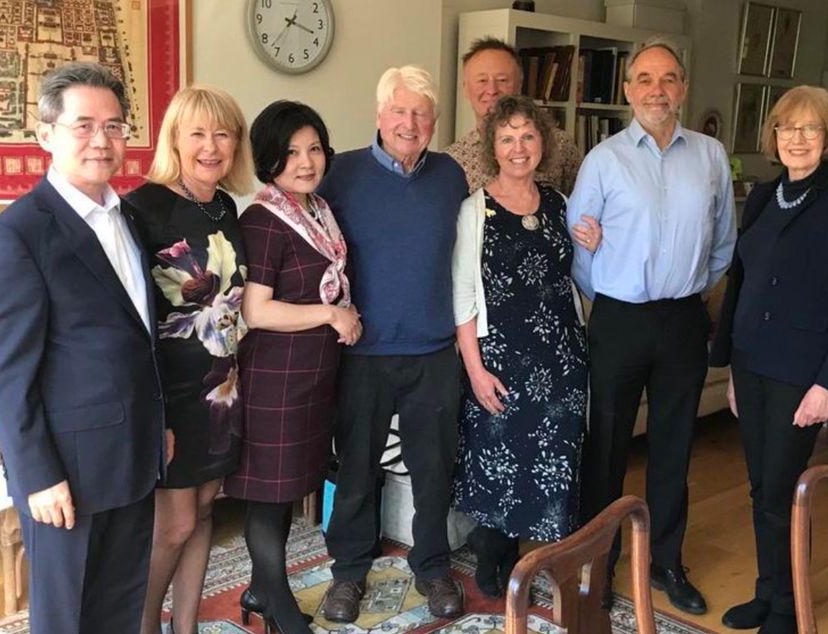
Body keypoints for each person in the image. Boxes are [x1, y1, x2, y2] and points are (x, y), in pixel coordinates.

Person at [0, 62, 165, 634]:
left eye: (114, 126)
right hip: (66, 476)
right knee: (67, 619)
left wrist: (160, 427)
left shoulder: (128, 217)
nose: (101, 141)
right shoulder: (15, 236)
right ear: (46, 134)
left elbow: (139, 339)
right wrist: (36, 475)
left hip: (132, 457)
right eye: (84, 126)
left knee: (119, 608)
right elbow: (5, 373)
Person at [567, 37, 736, 615]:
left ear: (683, 88)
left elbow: (723, 244)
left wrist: (687, 293)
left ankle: (666, 562)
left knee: (674, 447)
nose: (655, 90)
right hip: (617, 319)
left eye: (667, 79)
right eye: (644, 79)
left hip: (683, 319)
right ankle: (597, 562)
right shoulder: (604, 160)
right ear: (627, 89)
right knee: (606, 446)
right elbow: (578, 246)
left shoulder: (712, 156)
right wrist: (610, 299)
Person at [709, 86, 828, 634]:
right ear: (773, 137)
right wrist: (730, 364)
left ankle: (787, 607)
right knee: (762, 488)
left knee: (782, 488)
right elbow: (741, 282)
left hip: (801, 374)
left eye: (809, 129)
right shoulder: (762, 196)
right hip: (753, 365)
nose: (796, 139)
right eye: (786, 128)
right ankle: (768, 590)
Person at [318, 65, 469, 623]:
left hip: (433, 351)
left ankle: (432, 567)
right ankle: (348, 573)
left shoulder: (451, 176)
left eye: (421, 114)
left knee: (434, 471)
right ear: (380, 115)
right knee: (357, 469)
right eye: (400, 111)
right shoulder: (341, 175)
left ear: (433, 122)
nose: (410, 123)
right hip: (363, 354)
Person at [451, 95, 596, 598]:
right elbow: (463, 296)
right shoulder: (475, 210)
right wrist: (474, 370)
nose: (519, 148)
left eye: (528, 136)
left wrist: (595, 245)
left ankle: (548, 562)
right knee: (501, 462)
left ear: (543, 143)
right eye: (507, 138)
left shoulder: (559, 202)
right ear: (493, 147)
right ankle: (495, 561)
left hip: (561, 360)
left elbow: (582, 277)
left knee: (557, 465)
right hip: (501, 361)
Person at [223, 100, 359, 634]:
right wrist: (331, 312)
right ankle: (280, 612)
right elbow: (257, 311)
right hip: (275, 378)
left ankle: (259, 590)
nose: (306, 161)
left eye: (315, 148)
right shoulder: (264, 219)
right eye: (292, 152)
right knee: (267, 496)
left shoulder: (318, 209)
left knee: (285, 493)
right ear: (269, 158)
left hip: (313, 376)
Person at [124, 84, 253, 634]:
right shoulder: (141, 208)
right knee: (173, 525)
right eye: (197, 133)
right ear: (174, 139)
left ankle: (188, 627)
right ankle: (144, 624)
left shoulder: (225, 205)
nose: (210, 145)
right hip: (171, 394)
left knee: (203, 510)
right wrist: (152, 415)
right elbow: (131, 319)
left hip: (222, 385)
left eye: (223, 133)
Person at [446, 36, 581, 194]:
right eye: (482, 80)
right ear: (466, 88)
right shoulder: (451, 160)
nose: (492, 90)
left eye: (502, 80)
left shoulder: (561, 146)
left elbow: (582, 207)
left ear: (520, 85)